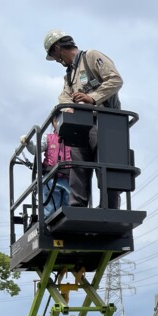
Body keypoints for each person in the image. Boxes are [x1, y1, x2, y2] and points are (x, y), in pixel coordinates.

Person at [43, 29, 124, 209]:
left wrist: (92, 98)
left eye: (53, 55)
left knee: (106, 168)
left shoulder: (91, 57)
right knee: (77, 166)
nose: (56, 60)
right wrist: (69, 106)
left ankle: (109, 208)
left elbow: (115, 80)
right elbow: (63, 97)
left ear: (57, 48)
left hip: (104, 122)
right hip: (81, 125)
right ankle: (77, 207)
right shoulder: (69, 75)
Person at [40, 120, 72, 219]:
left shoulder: (73, 138)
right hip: (51, 178)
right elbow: (36, 148)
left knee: (69, 209)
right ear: (53, 122)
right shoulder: (48, 138)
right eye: (56, 119)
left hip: (68, 178)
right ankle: (49, 224)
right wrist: (28, 143)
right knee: (50, 211)